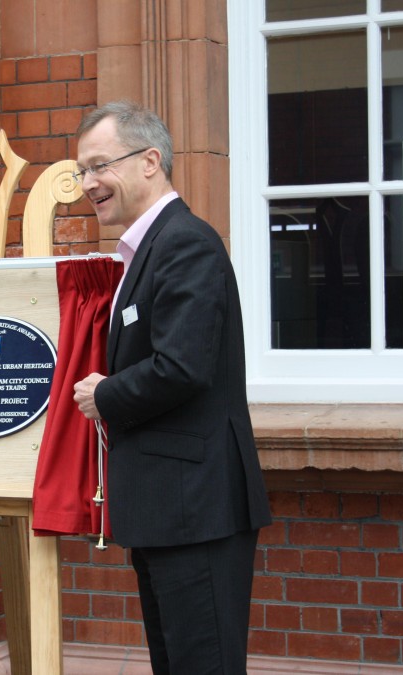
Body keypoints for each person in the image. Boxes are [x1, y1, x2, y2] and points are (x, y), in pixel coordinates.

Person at [71, 101, 272, 673]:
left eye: (99, 165)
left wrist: (103, 395)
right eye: (81, 171)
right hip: (170, 506)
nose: (88, 183)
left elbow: (182, 367)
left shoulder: (185, 242)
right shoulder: (149, 248)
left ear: (150, 161)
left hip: (197, 507)